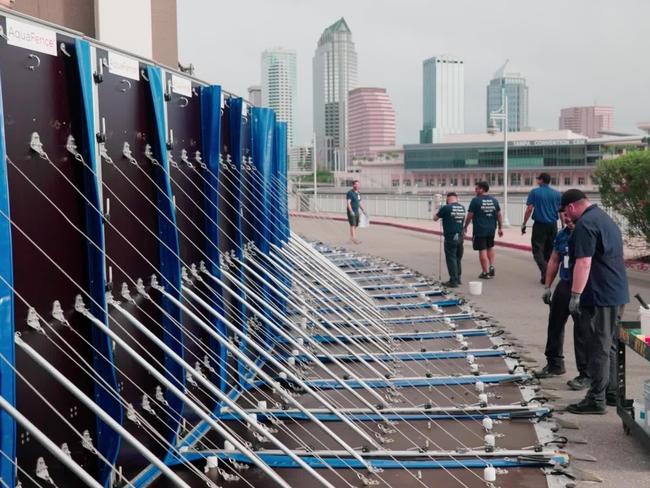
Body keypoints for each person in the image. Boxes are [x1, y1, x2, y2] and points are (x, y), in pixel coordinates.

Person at [561, 189, 629, 415]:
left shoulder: (585, 224)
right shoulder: (604, 218)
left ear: (571, 207)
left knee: (598, 346)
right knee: (608, 344)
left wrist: (575, 294)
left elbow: (583, 262)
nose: (567, 218)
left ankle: (596, 399)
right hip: (615, 293)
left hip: (601, 295)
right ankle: (610, 393)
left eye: (566, 213)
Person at [535, 214, 591, 391]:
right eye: (563, 215)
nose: (567, 218)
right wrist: (548, 286)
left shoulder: (586, 234)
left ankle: (585, 374)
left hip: (583, 287)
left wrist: (578, 293)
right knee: (555, 324)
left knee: (582, 331)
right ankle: (554, 364)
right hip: (564, 284)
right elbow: (554, 259)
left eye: (569, 215)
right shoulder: (562, 235)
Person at [521, 173, 561, 284]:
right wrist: (563, 226)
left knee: (537, 250)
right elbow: (561, 211)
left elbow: (529, 209)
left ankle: (545, 271)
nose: (537, 181)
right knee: (549, 250)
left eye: (538, 179)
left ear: (542, 180)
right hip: (553, 225)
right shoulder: (557, 194)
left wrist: (524, 223)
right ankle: (546, 276)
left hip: (539, 225)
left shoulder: (535, 192)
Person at [463, 181, 504, 279]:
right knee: (490, 247)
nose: (475, 190)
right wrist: (500, 228)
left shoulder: (475, 200)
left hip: (480, 229)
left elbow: (470, 215)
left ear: (482, 189)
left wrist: (465, 226)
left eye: (477, 188)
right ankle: (491, 266)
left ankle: (485, 272)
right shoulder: (494, 200)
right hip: (491, 229)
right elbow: (499, 215)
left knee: (482, 250)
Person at [434, 192, 466, 288]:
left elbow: (435, 218)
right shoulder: (462, 207)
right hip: (460, 236)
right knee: (457, 258)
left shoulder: (446, 208)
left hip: (450, 237)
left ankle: (453, 281)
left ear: (448, 199)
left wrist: (437, 207)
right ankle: (458, 278)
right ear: (457, 198)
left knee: (451, 258)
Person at [346, 180, 365, 244]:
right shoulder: (350, 193)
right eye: (356, 184)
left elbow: (359, 202)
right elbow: (348, 203)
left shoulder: (358, 193)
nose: (358, 186)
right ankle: (354, 239)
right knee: (353, 225)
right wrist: (351, 211)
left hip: (357, 211)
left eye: (359, 184)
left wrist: (363, 210)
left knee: (356, 224)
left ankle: (351, 237)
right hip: (352, 211)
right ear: (353, 185)